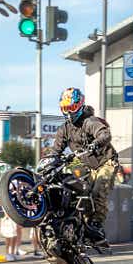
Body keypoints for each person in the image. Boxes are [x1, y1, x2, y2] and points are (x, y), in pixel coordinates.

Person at [49, 88, 118, 246]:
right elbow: (55, 151)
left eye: (71, 108)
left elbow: (105, 134)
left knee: (98, 189)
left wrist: (96, 143)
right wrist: (49, 161)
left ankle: (97, 226)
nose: (68, 112)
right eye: (65, 108)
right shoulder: (64, 129)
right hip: (86, 165)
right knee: (75, 189)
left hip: (106, 161)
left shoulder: (90, 121)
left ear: (80, 105)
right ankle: (76, 226)